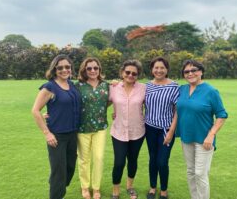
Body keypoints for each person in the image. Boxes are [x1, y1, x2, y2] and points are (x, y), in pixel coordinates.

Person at [176, 60, 228, 199]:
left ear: (201, 72)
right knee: (191, 171)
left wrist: (211, 135)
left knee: (200, 173)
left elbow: (222, 115)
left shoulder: (211, 91)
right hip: (186, 137)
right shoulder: (182, 89)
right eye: (186, 71)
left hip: (204, 139)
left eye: (194, 70)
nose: (190, 73)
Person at [32, 55, 81, 199]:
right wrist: (47, 133)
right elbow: (35, 110)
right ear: (54, 69)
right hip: (57, 137)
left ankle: (55, 183)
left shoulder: (72, 85)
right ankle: (56, 191)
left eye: (67, 67)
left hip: (73, 134)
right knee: (59, 172)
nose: (64, 70)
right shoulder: (49, 87)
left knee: (70, 168)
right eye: (60, 67)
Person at [109, 60, 146, 199]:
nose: (130, 75)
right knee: (119, 162)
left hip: (137, 131)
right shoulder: (114, 87)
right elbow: (102, 104)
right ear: (122, 73)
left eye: (134, 73)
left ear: (138, 75)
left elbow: (153, 105)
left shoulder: (143, 88)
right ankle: (116, 191)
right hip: (118, 131)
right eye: (128, 72)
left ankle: (130, 187)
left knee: (133, 160)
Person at [145, 57, 180, 199]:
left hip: (166, 129)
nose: (159, 70)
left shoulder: (174, 86)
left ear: (167, 70)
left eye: (162, 68)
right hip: (150, 128)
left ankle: (164, 189)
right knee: (153, 159)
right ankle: (153, 187)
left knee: (162, 161)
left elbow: (177, 110)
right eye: (156, 68)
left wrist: (171, 131)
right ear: (152, 69)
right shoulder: (146, 86)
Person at [76, 57, 110, 199]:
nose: (92, 71)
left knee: (99, 157)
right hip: (82, 127)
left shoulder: (106, 85)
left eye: (95, 68)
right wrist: (50, 113)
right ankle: (85, 187)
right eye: (89, 68)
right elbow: (65, 100)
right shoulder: (77, 85)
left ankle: (96, 188)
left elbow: (109, 101)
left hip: (100, 127)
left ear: (99, 69)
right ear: (84, 70)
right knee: (84, 159)